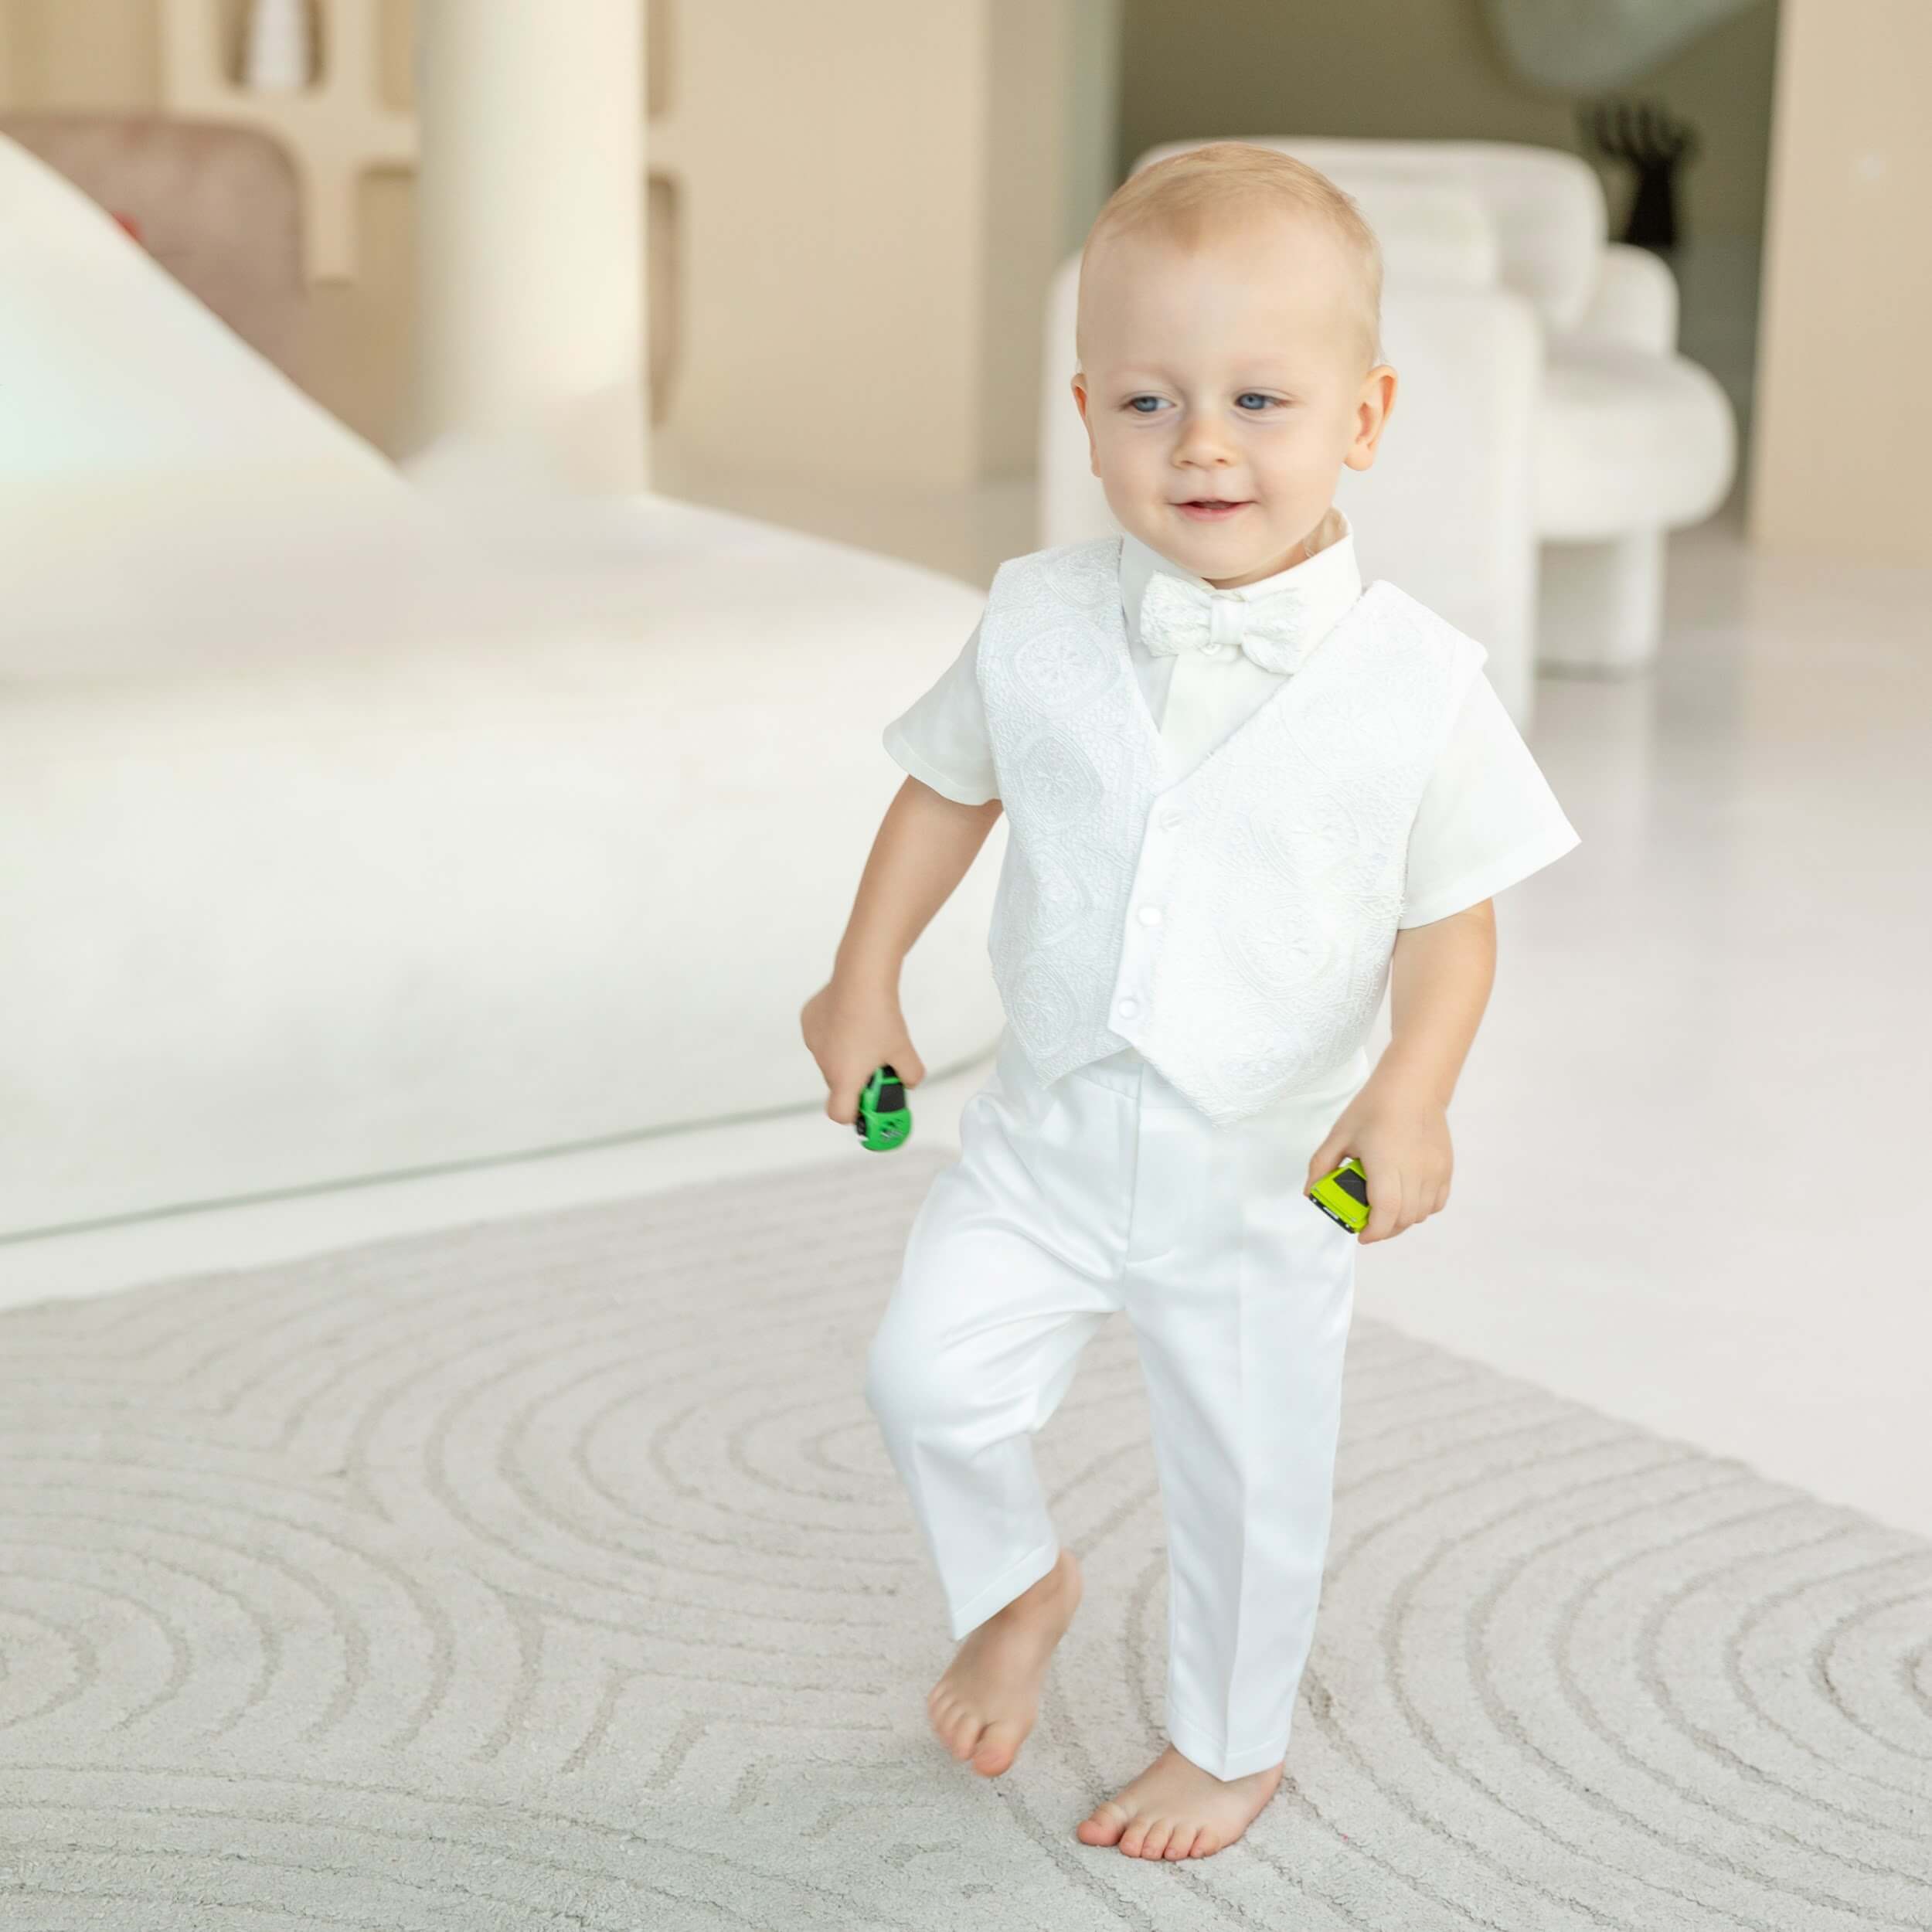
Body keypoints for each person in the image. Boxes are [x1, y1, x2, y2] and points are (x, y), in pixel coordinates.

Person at [799, 141, 1581, 1862]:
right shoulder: (1036, 619)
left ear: (1362, 417)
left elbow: (1454, 923)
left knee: (1244, 1473)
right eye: (1147, 399)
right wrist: (861, 972)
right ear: (1083, 411)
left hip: (1258, 1166)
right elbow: (944, 789)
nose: (1200, 444)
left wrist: (1413, 1087)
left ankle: (1225, 1743)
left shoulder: (1416, 687)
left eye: (1255, 398)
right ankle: (1017, 1582)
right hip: (1046, 1128)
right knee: (925, 1375)